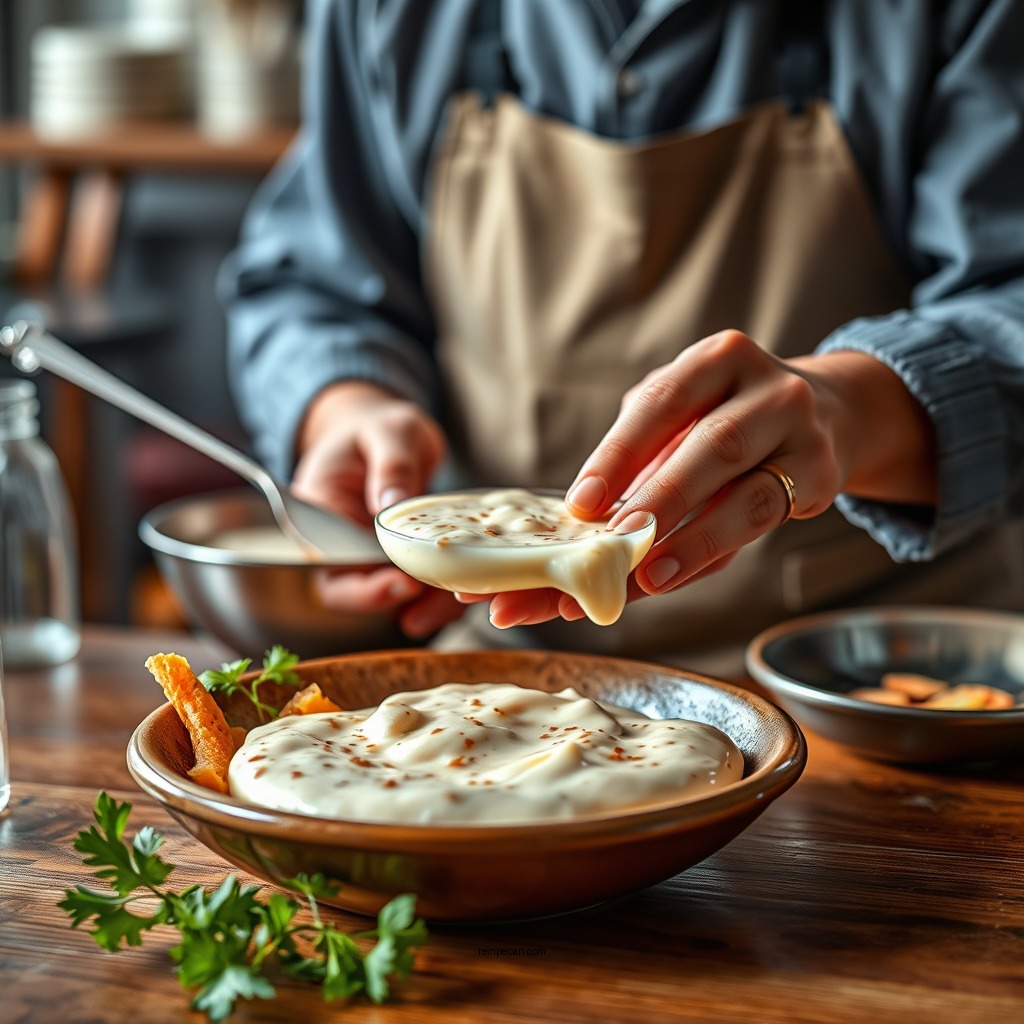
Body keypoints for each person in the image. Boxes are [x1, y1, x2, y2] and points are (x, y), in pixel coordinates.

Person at [221, 0, 1024, 675]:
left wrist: (849, 411)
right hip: (506, 673)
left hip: (891, 682)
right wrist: (347, 408)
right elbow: (315, 280)